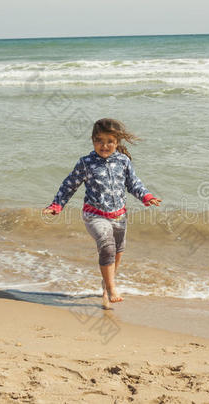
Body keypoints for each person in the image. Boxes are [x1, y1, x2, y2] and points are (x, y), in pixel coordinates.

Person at [42, 118, 161, 309]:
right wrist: (56, 205)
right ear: (92, 140)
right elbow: (69, 185)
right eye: (99, 141)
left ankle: (106, 287)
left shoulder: (123, 161)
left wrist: (146, 196)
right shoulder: (86, 163)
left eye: (110, 141)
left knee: (117, 251)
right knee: (107, 245)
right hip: (94, 215)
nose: (104, 145)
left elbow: (133, 184)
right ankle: (113, 288)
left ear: (117, 143)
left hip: (119, 216)